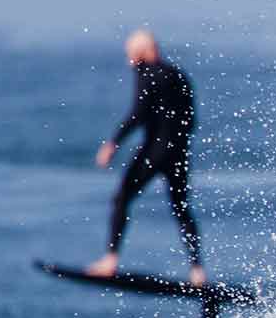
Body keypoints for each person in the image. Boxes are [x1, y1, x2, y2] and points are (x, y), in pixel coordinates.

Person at [86, 29, 204, 287]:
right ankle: (197, 271)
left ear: (139, 53)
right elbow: (191, 119)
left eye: (130, 53)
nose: (129, 59)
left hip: (154, 151)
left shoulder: (145, 74)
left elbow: (138, 113)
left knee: (121, 198)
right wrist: (178, 143)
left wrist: (113, 143)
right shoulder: (178, 75)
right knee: (181, 208)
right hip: (179, 151)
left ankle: (110, 260)